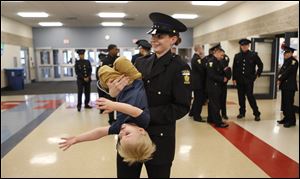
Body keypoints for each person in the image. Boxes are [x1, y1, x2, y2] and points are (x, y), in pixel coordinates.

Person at [108, 12, 191, 178]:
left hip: (159, 138)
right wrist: (114, 92)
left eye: (159, 36)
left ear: (173, 39)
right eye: (153, 36)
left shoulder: (180, 68)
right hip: (129, 136)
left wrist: (143, 115)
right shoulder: (140, 62)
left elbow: (181, 107)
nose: (154, 40)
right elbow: (126, 91)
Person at [59, 56, 156, 165]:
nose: (122, 132)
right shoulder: (143, 121)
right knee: (121, 61)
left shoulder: (119, 127)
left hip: (119, 87)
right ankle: (116, 69)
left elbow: (99, 132)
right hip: (133, 80)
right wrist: (113, 105)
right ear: (141, 131)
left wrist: (77, 139)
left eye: (120, 137)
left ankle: (114, 72)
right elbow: (131, 110)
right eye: (127, 134)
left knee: (103, 71)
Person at [232, 38, 263, 121]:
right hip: (239, 80)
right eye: (242, 45)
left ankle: (256, 113)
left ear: (248, 46)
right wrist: (234, 78)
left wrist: (257, 75)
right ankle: (242, 112)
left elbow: (260, 65)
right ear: (241, 46)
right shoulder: (237, 56)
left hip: (249, 80)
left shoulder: (253, 55)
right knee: (241, 97)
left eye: (245, 45)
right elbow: (234, 68)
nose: (244, 47)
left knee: (250, 96)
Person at [206, 44, 230, 128]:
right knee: (215, 104)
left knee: (213, 104)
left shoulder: (217, 61)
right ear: (217, 53)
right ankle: (218, 122)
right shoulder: (211, 62)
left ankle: (211, 118)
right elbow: (211, 75)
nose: (222, 57)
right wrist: (222, 79)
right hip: (213, 86)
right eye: (221, 55)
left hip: (216, 86)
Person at [277, 45, 298, 128]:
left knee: (289, 104)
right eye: (285, 52)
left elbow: (287, 72)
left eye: (288, 52)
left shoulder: (293, 62)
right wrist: (279, 77)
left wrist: (280, 78)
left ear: (291, 53)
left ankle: (291, 121)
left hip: (290, 86)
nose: (285, 54)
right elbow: (281, 71)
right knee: (285, 104)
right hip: (285, 86)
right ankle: (286, 118)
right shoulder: (286, 61)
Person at [102, 44, 119, 124]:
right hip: (110, 85)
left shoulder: (118, 59)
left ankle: (119, 118)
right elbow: (103, 73)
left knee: (119, 102)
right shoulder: (105, 60)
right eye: (115, 49)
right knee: (110, 102)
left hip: (119, 84)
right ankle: (111, 119)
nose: (117, 50)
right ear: (110, 50)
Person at [189, 44, 206, 122]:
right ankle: (197, 116)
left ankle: (192, 113)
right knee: (199, 100)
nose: (203, 50)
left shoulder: (196, 58)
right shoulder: (197, 59)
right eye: (202, 48)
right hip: (198, 83)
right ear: (199, 49)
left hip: (196, 82)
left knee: (196, 99)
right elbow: (201, 69)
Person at [220, 54, 231, 119]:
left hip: (224, 85)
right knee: (217, 101)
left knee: (223, 100)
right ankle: (217, 114)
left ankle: (224, 114)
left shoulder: (227, 67)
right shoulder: (215, 62)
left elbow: (229, 75)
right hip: (217, 84)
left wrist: (226, 78)